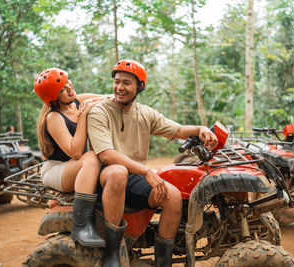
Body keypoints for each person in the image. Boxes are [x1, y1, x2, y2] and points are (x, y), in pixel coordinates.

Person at [87, 59, 218, 267]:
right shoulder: (99, 112)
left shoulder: (145, 113)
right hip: (106, 176)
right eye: (117, 82)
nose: (120, 87)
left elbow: (178, 130)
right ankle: (113, 252)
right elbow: (106, 154)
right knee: (118, 172)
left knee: (173, 196)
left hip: (134, 176)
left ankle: (163, 262)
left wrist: (200, 129)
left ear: (140, 86)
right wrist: (147, 171)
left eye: (127, 83)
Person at [33, 68, 128, 250]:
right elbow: (75, 153)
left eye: (67, 82)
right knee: (91, 157)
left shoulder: (79, 100)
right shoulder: (53, 117)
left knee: (108, 163)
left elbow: (109, 97)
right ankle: (81, 225)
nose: (69, 87)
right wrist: (84, 116)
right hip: (57, 168)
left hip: (76, 165)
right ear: (53, 97)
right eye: (62, 89)